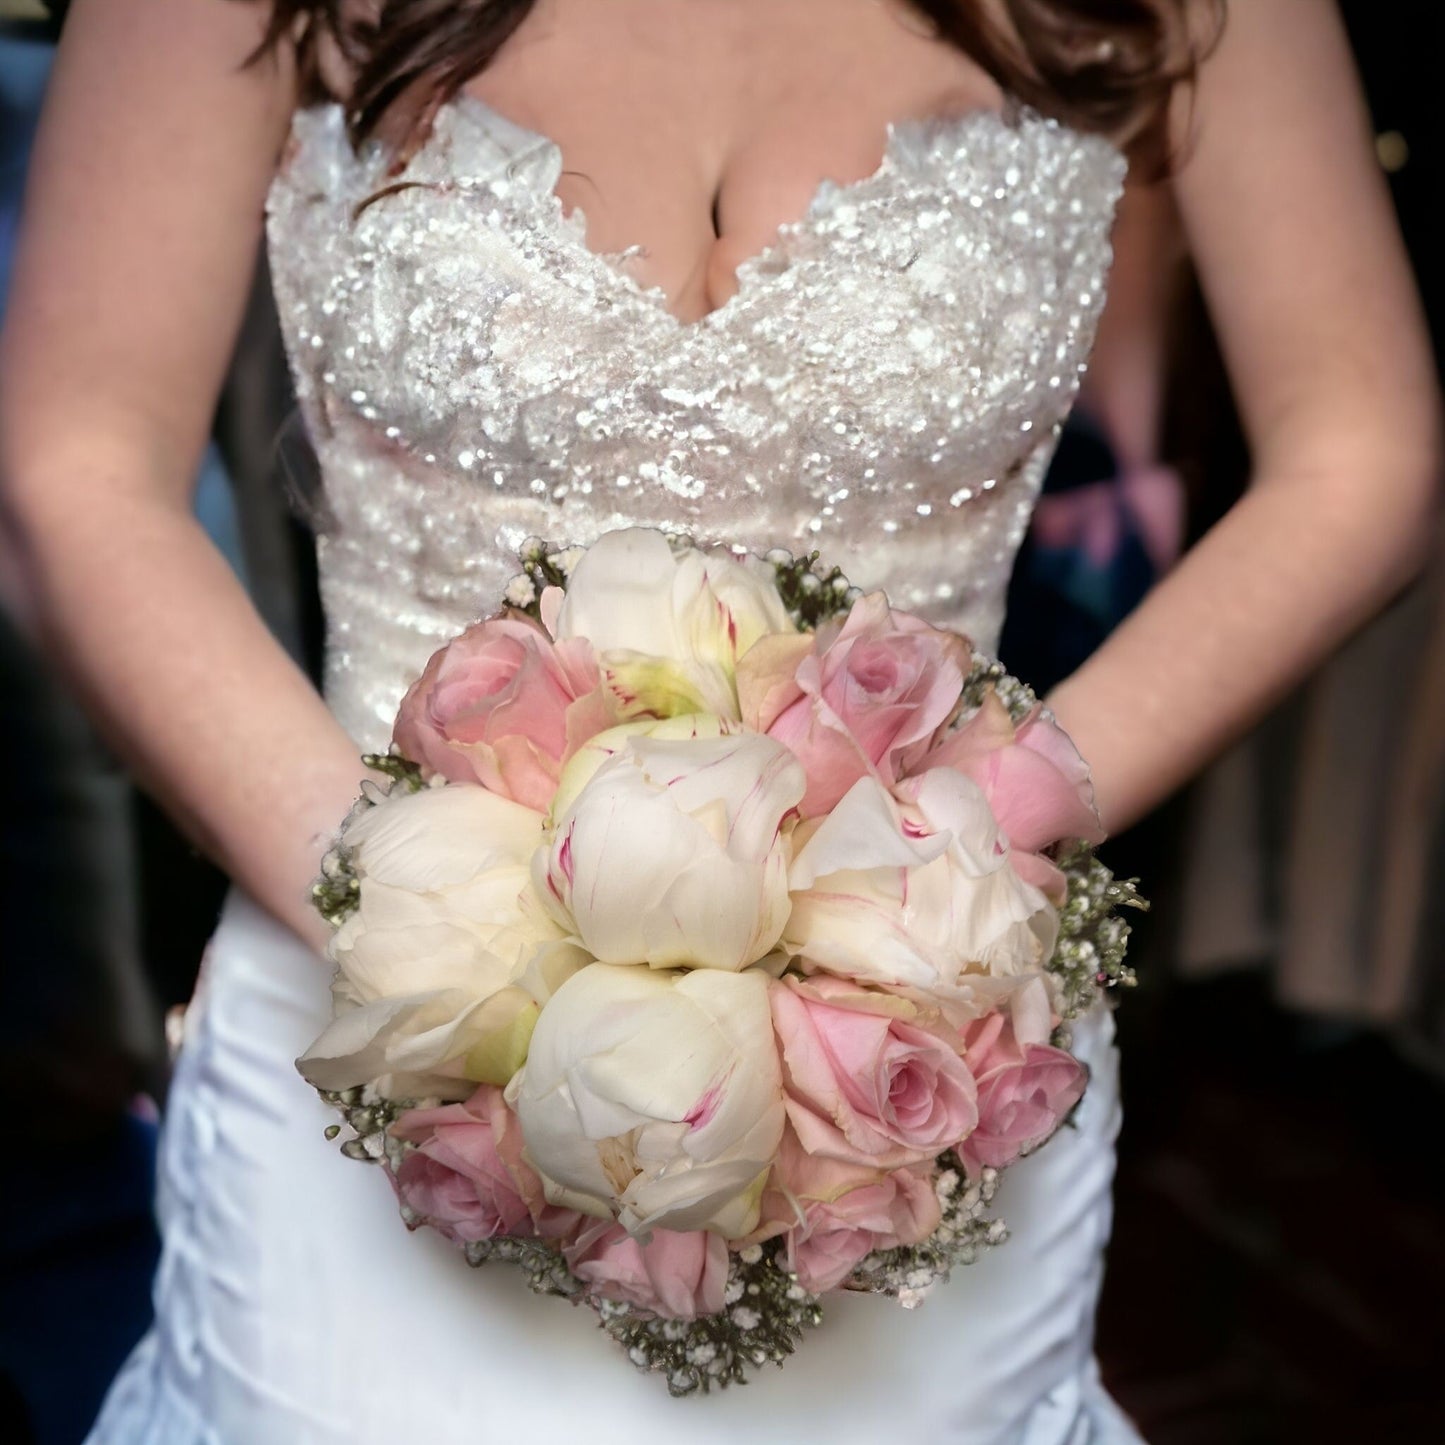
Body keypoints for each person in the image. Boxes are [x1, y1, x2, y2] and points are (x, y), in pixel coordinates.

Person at [0, 1, 1436, 1440]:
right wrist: (421, 930)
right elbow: (80, 464)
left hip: (914, 1049)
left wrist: (954, 866)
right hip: (356, 1004)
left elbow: (1358, 452)